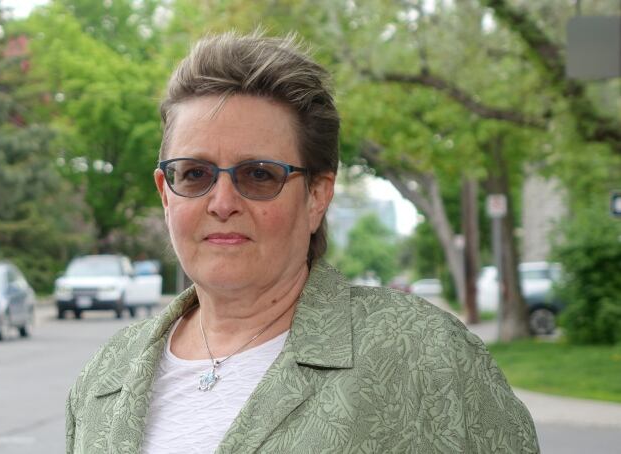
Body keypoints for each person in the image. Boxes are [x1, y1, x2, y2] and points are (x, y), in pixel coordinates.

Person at [66, 32, 539, 453]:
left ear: (317, 195)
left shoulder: (425, 359)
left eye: (258, 174)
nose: (222, 202)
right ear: (165, 194)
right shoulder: (105, 378)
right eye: (195, 174)